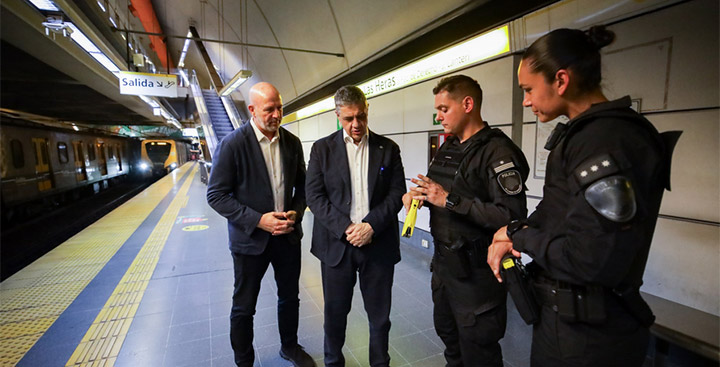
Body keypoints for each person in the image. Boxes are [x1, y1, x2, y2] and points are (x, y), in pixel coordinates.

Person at [487, 26, 679, 367]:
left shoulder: (604, 140)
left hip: (588, 339)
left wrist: (519, 235)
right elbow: (556, 208)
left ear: (561, 80)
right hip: (570, 324)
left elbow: (590, 259)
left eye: (529, 89)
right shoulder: (586, 135)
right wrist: (514, 230)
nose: (526, 100)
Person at [403, 75, 530, 367]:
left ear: (468, 104)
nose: (439, 117)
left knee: (479, 352)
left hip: (477, 280)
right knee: (450, 342)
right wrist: (418, 197)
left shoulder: (498, 152)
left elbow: (511, 215)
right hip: (446, 270)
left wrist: (448, 200)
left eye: (444, 109)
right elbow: (438, 192)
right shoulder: (449, 148)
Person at [206, 82, 315, 367]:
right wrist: (259, 220)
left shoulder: (291, 143)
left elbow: (303, 188)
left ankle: (289, 347)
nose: (277, 114)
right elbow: (216, 195)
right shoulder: (232, 145)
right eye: (270, 109)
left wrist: (296, 212)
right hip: (249, 241)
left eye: (280, 108)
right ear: (252, 110)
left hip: (287, 237)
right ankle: (244, 361)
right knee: (244, 307)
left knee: (290, 297)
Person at [306, 85, 405, 367]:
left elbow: (396, 193)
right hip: (337, 246)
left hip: (378, 246)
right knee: (335, 314)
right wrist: (348, 227)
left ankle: (379, 363)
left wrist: (371, 225)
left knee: (379, 317)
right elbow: (314, 196)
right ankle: (333, 362)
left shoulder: (388, 149)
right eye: (349, 118)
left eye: (361, 116)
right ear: (337, 115)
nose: (356, 124)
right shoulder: (322, 149)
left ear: (366, 109)